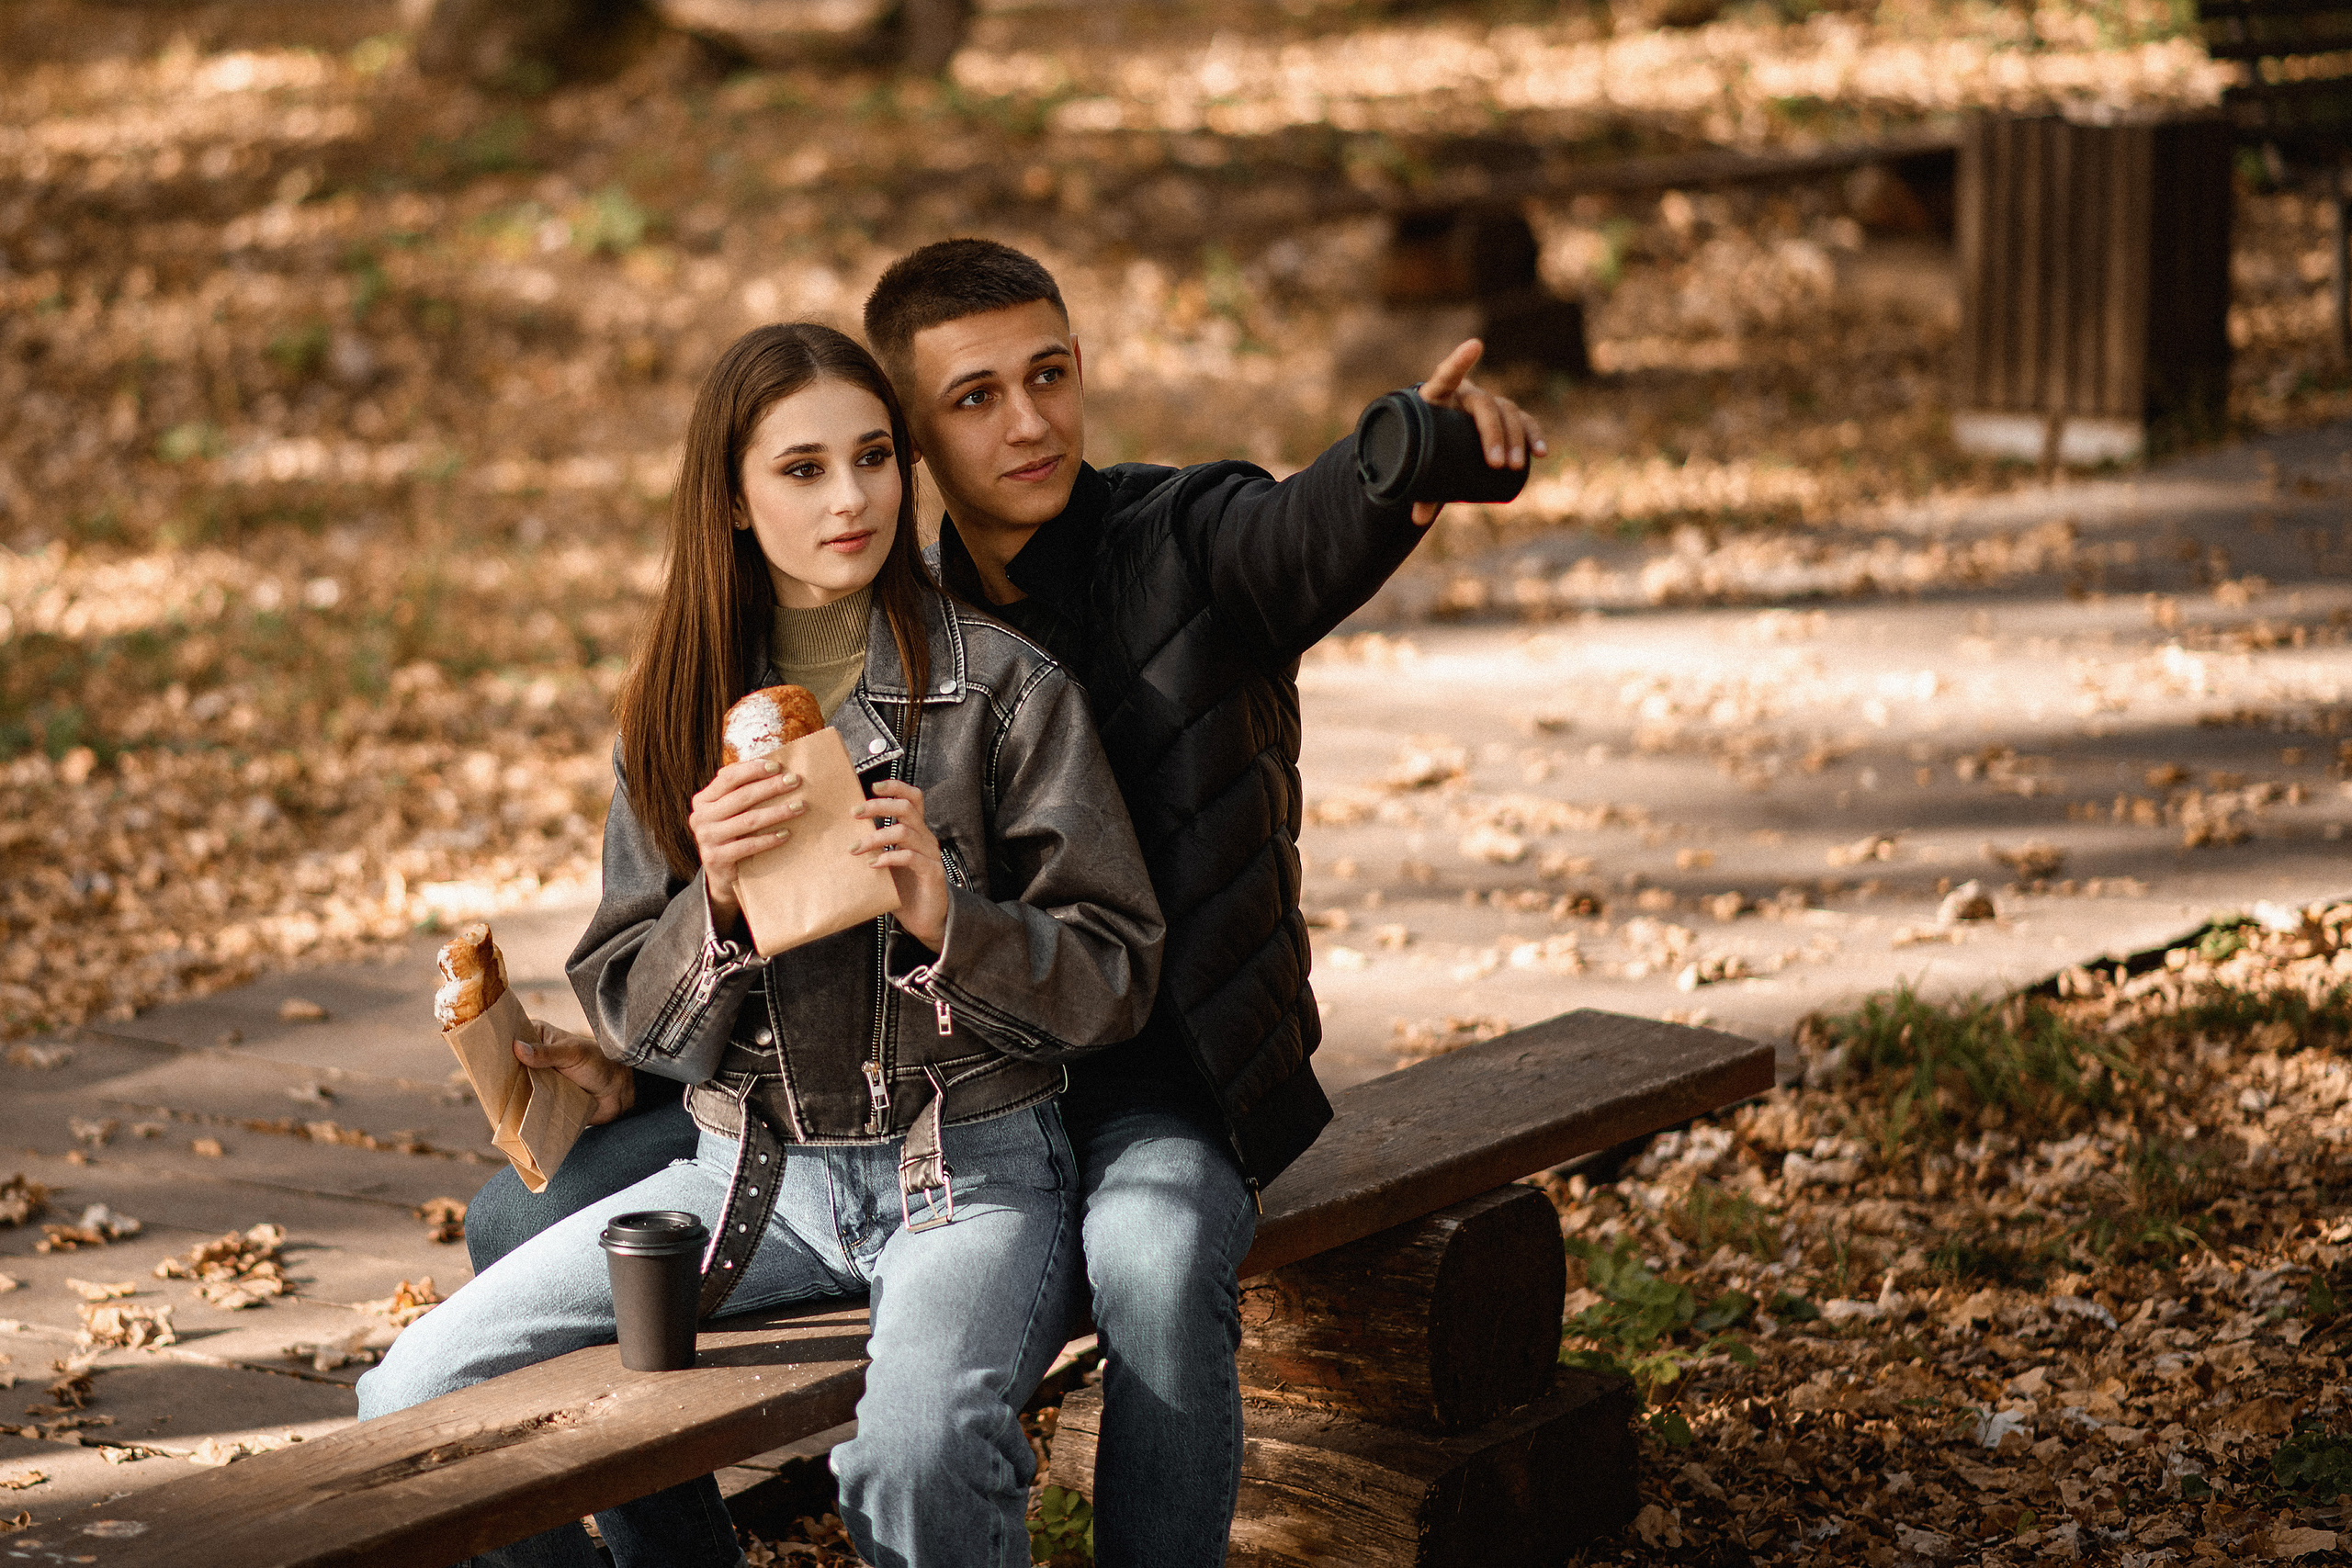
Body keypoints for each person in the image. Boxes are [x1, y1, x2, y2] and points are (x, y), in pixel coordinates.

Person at [465, 241, 1544, 1566]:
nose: (1028, 421)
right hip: (917, 1088)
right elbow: (773, 929)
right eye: (974, 398)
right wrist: (645, 1048)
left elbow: (1304, 530)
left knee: (1152, 1263)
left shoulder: (1183, 542)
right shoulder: (884, 610)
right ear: (914, 440)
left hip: (1151, 1067)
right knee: (514, 1215)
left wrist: (1406, 464)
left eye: (1050, 376)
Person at [357, 321, 1164, 1568]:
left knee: (914, 1458)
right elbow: (629, 1002)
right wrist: (716, 899)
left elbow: (1117, 968)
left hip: (971, 1175)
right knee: (409, 1407)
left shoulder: (1006, 691)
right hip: (747, 1184)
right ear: (733, 500)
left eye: (875, 458)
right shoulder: (675, 707)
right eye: (803, 469)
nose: (852, 499)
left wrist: (952, 918)